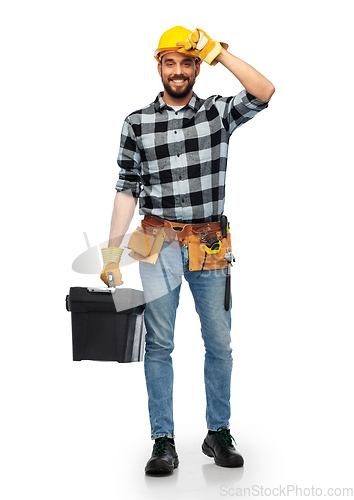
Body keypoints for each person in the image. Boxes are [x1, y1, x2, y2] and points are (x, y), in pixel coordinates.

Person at [100, 26, 275, 474]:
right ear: (158, 66)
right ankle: (163, 441)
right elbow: (126, 191)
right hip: (155, 241)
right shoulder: (136, 123)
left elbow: (264, 90)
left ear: (197, 67)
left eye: (187, 62)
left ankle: (218, 432)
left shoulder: (218, 114)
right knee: (159, 343)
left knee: (219, 341)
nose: (178, 71)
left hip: (210, 241)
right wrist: (112, 253)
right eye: (170, 62)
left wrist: (220, 53)